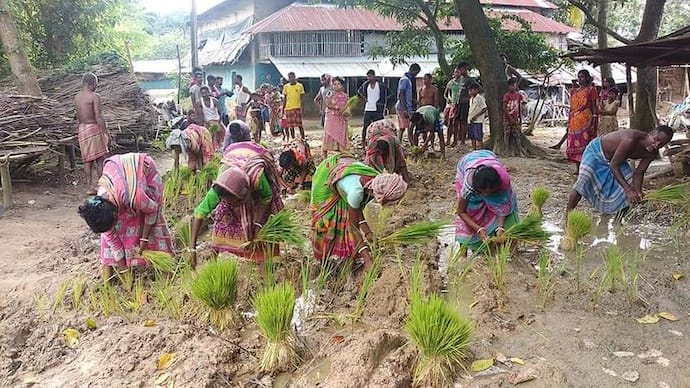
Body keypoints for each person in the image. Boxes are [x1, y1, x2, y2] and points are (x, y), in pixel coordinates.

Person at [78, 153, 173, 281]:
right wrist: (124, 274)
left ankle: (165, 270)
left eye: (113, 223)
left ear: (115, 213)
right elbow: (113, 242)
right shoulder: (100, 204)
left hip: (145, 172)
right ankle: (108, 277)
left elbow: (152, 211)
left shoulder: (136, 196)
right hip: (119, 179)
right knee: (108, 237)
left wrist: (144, 240)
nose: (114, 227)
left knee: (151, 221)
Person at [190, 142, 283, 267]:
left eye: (237, 201)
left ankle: (263, 260)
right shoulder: (220, 188)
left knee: (264, 225)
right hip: (233, 156)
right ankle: (220, 252)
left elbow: (267, 198)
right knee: (223, 215)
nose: (235, 205)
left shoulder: (258, 178)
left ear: (247, 192)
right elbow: (199, 214)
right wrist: (192, 249)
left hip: (253, 155)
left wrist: (258, 223)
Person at [310, 154, 408, 270]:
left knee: (349, 215)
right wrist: (367, 260)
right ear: (383, 197)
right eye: (390, 201)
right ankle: (323, 262)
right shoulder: (356, 192)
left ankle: (348, 260)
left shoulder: (376, 182)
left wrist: (367, 233)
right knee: (325, 223)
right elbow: (353, 228)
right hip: (326, 176)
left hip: (343, 170)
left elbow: (357, 209)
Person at [566, 126, 673, 215]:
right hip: (597, 152)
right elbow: (614, 165)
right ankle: (568, 215)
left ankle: (619, 220)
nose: (656, 145)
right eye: (656, 140)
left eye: (661, 144)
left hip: (616, 159)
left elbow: (639, 173)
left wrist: (638, 192)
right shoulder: (630, 139)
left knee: (630, 184)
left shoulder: (652, 153)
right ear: (652, 133)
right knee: (583, 181)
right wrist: (628, 190)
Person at [454, 150, 518, 251]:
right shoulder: (468, 185)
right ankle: (465, 247)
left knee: (498, 203)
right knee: (472, 211)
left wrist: (500, 228)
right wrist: (478, 229)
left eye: (491, 192)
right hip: (467, 162)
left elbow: (503, 206)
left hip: (488, 157)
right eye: (483, 192)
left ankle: (495, 236)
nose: (486, 195)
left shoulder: (503, 182)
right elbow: (461, 212)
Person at [75, 72, 110, 195]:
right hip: (93, 128)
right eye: (96, 83)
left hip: (82, 129)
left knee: (87, 160)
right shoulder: (95, 96)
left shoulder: (77, 97)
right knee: (100, 159)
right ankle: (101, 186)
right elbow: (98, 115)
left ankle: (89, 187)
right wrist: (105, 132)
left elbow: (78, 115)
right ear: (91, 83)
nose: (96, 86)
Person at [566, 69, 598, 170]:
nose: (580, 79)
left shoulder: (591, 90)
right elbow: (571, 107)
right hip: (574, 122)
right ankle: (577, 168)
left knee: (585, 144)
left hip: (586, 121)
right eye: (579, 77)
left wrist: (593, 123)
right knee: (574, 145)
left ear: (587, 78)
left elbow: (594, 107)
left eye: (582, 77)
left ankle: (585, 168)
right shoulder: (574, 91)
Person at [357, 69, 389, 145]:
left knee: (379, 126)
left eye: (370, 76)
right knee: (366, 126)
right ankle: (363, 140)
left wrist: (383, 103)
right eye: (368, 76)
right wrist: (365, 98)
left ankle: (380, 140)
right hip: (368, 108)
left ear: (374, 76)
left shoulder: (380, 85)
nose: (369, 78)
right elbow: (359, 91)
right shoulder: (365, 85)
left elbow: (388, 93)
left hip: (378, 108)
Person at [322, 77, 350, 158]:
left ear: (341, 85)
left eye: (338, 84)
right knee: (329, 134)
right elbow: (327, 104)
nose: (336, 86)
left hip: (341, 118)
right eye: (334, 84)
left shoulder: (345, 96)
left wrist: (346, 111)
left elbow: (348, 106)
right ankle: (325, 155)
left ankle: (341, 152)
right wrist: (337, 107)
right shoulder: (330, 93)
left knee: (341, 134)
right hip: (331, 117)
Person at [396, 63, 421, 144]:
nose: (416, 75)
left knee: (407, 127)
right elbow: (401, 94)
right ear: (413, 70)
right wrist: (404, 109)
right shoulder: (405, 79)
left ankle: (410, 144)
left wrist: (413, 100)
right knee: (404, 127)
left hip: (407, 106)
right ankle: (400, 144)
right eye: (416, 73)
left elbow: (407, 94)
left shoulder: (408, 79)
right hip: (403, 107)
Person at [282, 72, 306, 141]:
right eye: (290, 77)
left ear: (295, 77)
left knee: (300, 125)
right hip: (288, 108)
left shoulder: (300, 86)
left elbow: (302, 99)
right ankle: (293, 139)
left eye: (293, 77)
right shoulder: (286, 87)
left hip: (297, 108)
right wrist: (283, 110)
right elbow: (285, 99)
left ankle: (303, 139)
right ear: (288, 78)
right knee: (291, 126)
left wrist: (302, 109)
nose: (291, 79)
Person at [503, 78, 523, 154]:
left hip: (515, 118)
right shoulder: (506, 96)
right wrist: (510, 117)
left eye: (514, 85)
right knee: (507, 134)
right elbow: (504, 108)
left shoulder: (518, 95)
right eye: (512, 86)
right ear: (508, 86)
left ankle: (520, 151)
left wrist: (520, 118)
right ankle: (507, 151)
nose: (513, 87)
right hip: (507, 118)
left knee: (517, 135)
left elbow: (520, 107)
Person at [200, 86, 224, 150]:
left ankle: (218, 146)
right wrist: (205, 122)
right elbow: (200, 114)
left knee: (224, 131)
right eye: (203, 93)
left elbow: (220, 112)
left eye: (205, 92)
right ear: (201, 94)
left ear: (208, 92)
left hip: (216, 120)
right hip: (207, 122)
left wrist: (219, 121)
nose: (204, 94)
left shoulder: (214, 100)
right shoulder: (199, 102)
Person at [467, 83, 487, 151]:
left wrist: (476, 116)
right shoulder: (471, 99)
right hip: (470, 120)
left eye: (471, 90)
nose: (469, 92)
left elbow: (484, 108)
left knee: (478, 136)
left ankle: (480, 149)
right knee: (472, 136)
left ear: (476, 90)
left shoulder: (480, 98)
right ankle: (474, 148)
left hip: (477, 120)